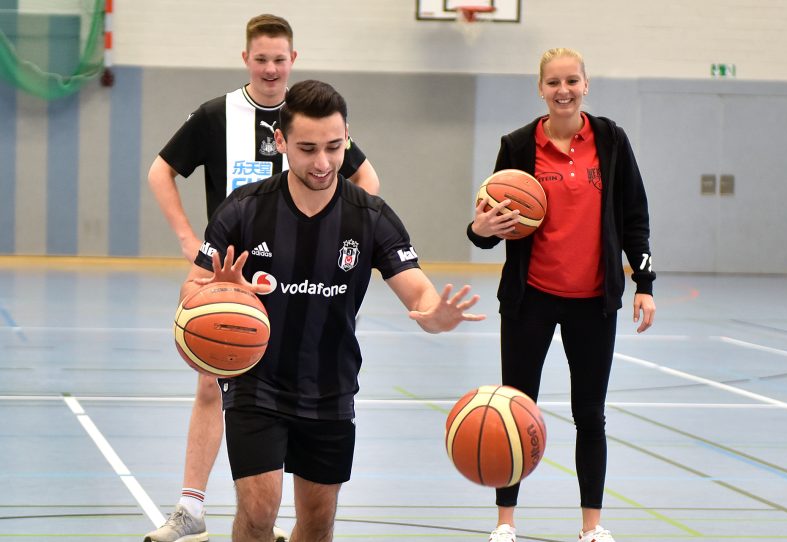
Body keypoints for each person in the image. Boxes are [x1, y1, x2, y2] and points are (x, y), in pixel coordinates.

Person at [181, 79, 484, 541]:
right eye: (307, 148)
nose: (322, 163)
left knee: (319, 521)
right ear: (280, 141)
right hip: (256, 385)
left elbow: (419, 294)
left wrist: (437, 316)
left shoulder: (370, 216)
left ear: (347, 139)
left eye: (334, 147)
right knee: (260, 510)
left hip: (330, 386)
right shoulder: (242, 210)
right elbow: (192, 290)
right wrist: (213, 294)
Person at [145, 14, 380, 542]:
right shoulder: (216, 115)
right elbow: (161, 169)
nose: (271, 68)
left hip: (302, 274)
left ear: (293, 60)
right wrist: (188, 236)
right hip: (232, 272)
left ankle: (251, 506)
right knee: (213, 372)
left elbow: (365, 178)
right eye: (261, 58)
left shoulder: (312, 119)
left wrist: (355, 239)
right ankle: (192, 506)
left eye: (280, 59)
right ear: (246, 59)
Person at [467, 48, 656, 542]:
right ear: (540, 88)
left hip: (594, 302)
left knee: (590, 414)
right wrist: (479, 228)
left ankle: (591, 526)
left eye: (571, 80)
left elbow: (635, 215)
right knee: (513, 409)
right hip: (531, 299)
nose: (563, 89)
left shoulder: (611, 140)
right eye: (553, 82)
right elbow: (488, 227)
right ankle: (505, 522)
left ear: (586, 85)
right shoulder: (516, 146)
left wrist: (644, 284)